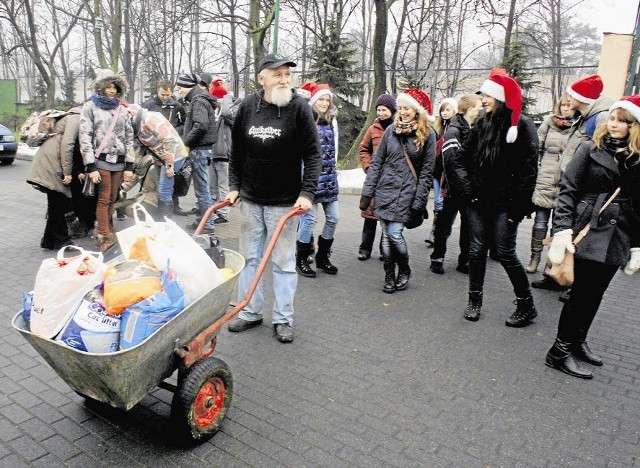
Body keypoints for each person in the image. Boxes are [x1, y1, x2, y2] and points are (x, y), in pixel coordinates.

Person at [225, 53, 322, 343]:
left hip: (285, 203)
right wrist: (234, 186)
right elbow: (237, 153)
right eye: (277, 74)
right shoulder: (247, 106)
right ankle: (251, 312)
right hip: (251, 200)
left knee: (283, 262)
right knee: (249, 258)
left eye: (287, 74)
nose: (284, 79)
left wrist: (307, 193)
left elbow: (313, 155)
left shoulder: (300, 108)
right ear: (261, 77)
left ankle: (283, 318)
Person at [544, 96, 640, 379]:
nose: (614, 124)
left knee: (596, 294)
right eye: (612, 118)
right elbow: (568, 191)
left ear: (634, 126)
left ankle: (576, 342)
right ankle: (558, 352)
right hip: (588, 229)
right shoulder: (590, 149)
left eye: (623, 121)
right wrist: (562, 230)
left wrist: (637, 244)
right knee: (580, 295)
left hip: (619, 234)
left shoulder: (636, 159)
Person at [449, 73, 539, 326]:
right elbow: (460, 158)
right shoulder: (482, 123)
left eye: (487, 95)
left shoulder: (522, 125)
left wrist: (517, 208)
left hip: (506, 204)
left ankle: (526, 304)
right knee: (476, 252)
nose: (483, 100)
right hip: (478, 201)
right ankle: (474, 300)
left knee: (506, 252)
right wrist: (469, 191)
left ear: (499, 98)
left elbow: (528, 170)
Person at [533, 74, 614, 293]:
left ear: (581, 97)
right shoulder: (586, 116)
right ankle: (554, 275)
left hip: (584, 191)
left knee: (574, 237)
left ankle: (570, 283)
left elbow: (599, 157)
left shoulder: (600, 118)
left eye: (571, 95)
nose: (567, 99)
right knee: (559, 230)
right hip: (570, 183)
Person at [360, 88, 436, 294]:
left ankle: (404, 269)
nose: (402, 112)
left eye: (406, 108)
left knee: (394, 234)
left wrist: (419, 203)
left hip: (407, 194)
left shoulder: (428, 135)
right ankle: (388, 275)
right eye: (400, 108)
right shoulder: (390, 131)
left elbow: (427, 173)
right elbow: (376, 163)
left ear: (416, 110)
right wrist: (368, 193)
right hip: (385, 191)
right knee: (386, 234)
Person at [79, 71, 134, 251]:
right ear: (101, 87)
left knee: (112, 198)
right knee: (103, 199)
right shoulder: (90, 107)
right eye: (108, 86)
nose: (111, 90)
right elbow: (85, 136)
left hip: (119, 161)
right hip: (100, 161)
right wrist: (90, 166)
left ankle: (107, 228)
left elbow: (129, 138)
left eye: (114, 87)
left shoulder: (122, 109)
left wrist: (129, 165)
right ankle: (103, 234)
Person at [430, 94, 482, 274]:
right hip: (452, 189)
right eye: (478, 107)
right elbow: (451, 163)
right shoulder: (454, 131)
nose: (481, 110)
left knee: (467, 227)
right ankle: (437, 257)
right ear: (469, 109)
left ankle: (464, 261)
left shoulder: (474, 128)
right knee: (444, 225)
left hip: (467, 188)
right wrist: (464, 187)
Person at [526, 95, 575, 274]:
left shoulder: (577, 126)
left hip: (565, 181)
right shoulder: (549, 122)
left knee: (558, 226)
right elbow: (535, 147)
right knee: (540, 222)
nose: (566, 109)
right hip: (545, 178)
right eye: (563, 105)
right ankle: (535, 257)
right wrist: (538, 169)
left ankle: (551, 263)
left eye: (569, 106)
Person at [295, 82, 340, 277]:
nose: (324, 103)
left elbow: (335, 150)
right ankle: (302, 258)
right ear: (313, 100)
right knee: (309, 219)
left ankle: (322, 256)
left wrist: (334, 171)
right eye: (320, 99)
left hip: (329, 178)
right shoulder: (305, 120)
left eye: (327, 99)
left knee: (333, 218)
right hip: (310, 179)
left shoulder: (332, 121)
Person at [27, 107, 81, 250]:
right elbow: (67, 145)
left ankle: (49, 241)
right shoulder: (76, 119)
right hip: (53, 162)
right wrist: (68, 172)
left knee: (56, 203)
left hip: (51, 160)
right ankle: (62, 241)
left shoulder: (73, 117)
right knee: (59, 203)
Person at [175, 73, 218, 234]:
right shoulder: (202, 99)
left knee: (202, 190)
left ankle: (207, 225)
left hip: (199, 150)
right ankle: (201, 221)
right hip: (203, 150)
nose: (179, 91)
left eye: (180, 88)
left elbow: (200, 125)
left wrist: (186, 142)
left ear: (187, 86)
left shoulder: (198, 101)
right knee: (202, 189)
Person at [127, 104, 188, 219]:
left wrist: (170, 166)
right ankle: (160, 219)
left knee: (165, 189)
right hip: (160, 158)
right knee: (160, 189)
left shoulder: (150, 119)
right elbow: (140, 148)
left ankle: (164, 223)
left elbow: (169, 141)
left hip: (175, 156)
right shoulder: (136, 126)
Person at [357, 93, 397, 261]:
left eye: (384, 110)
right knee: (369, 216)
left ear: (392, 110)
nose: (381, 113)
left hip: (391, 179)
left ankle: (384, 250)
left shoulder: (396, 128)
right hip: (374, 178)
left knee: (386, 216)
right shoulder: (373, 128)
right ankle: (365, 249)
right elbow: (363, 148)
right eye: (379, 110)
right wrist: (368, 166)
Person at [142, 79, 188, 216]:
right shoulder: (149, 105)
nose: (165, 98)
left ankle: (172, 209)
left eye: (168, 95)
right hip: (154, 148)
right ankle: (157, 208)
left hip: (170, 146)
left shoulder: (177, 106)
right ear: (158, 91)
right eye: (163, 95)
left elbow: (184, 123)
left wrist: (174, 130)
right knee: (159, 182)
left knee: (168, 179)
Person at [426, 98, 458, 247]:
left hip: (446, 172)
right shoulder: (437, 128)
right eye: (443, 110)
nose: (445, 113)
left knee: (440, 203)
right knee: (437, 203)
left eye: (448, 110)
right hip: (436, 171)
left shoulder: (456, 128)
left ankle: (435, 233)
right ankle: (434, 232)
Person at [209, 83, 240, 224]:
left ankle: (224, 213)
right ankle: (213, 210)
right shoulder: (214, 112)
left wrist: (227, 96)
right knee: (212, 187)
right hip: (213, 154)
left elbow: (228, 112)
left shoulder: (231, 113)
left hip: (224, 155)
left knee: (223, 186)